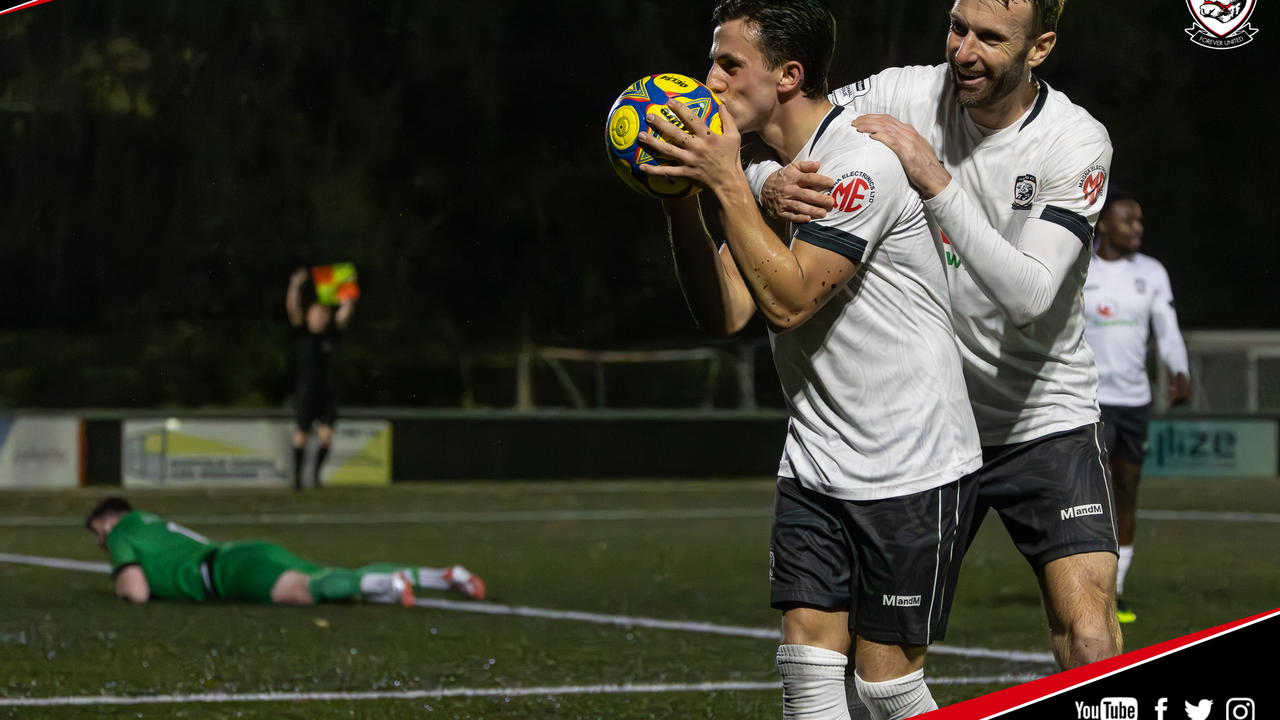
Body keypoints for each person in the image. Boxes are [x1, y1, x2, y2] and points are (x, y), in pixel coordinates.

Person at [747, 0, 1122, 670]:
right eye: (957, 28)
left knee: (1088, 629)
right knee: (879, 658)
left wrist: (934, 177)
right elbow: (790, 126)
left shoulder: (1075, 141)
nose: (964, 50)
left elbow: (1030, 295)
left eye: (990, 38)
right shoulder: (900, 92)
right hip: (932, 430)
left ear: (1040, 49)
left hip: (1043, 413)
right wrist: (762, 183)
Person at [638, 2, 981, 716]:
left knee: (884, 687)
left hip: (910, 461)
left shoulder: (859, 164)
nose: (710, 78)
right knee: (806, 669)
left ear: (788, 76)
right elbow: (726, 311)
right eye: (713, 59)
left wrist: (733, 180)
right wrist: (681, 202)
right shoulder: (781, 175)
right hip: (817, 462)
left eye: (730, 64)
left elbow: (790, 302)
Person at [1083, 189, 1191, 625]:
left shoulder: (1151, 272)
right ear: (1104, 224)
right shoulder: (1080, 267)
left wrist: (1178, 370)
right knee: (1091, 496)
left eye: (1140, 222)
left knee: (1127, 488)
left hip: (1135, 401)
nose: (1137, 229)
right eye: (1128, 221)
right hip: (1088, 398)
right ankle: (1085, 586)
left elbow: (1166, 329)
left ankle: (1117, 589)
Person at [85, 496, 486, 605]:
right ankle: (444, 575)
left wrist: (122, 584)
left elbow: (135, 591)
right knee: (332, 576)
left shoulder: (121, 532)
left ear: (108, 521)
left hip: (228, 571)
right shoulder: (151, 521)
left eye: (98, 535)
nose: (102, 544)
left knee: (301, 592)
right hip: (246, 554)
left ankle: (386, 582)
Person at [286, 267, 355, 491]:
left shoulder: (332, 335)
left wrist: (347, 291)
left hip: (327, 392)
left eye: (323, 314)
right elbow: (293, 307)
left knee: (326, 437)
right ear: (308, 316)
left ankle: (315, 477)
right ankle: (297, 481)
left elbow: (344, 312)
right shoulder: (301, 333)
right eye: (315, 314)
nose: (319, 317)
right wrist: (295, 285)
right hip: (306, 391)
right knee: (301, 437)